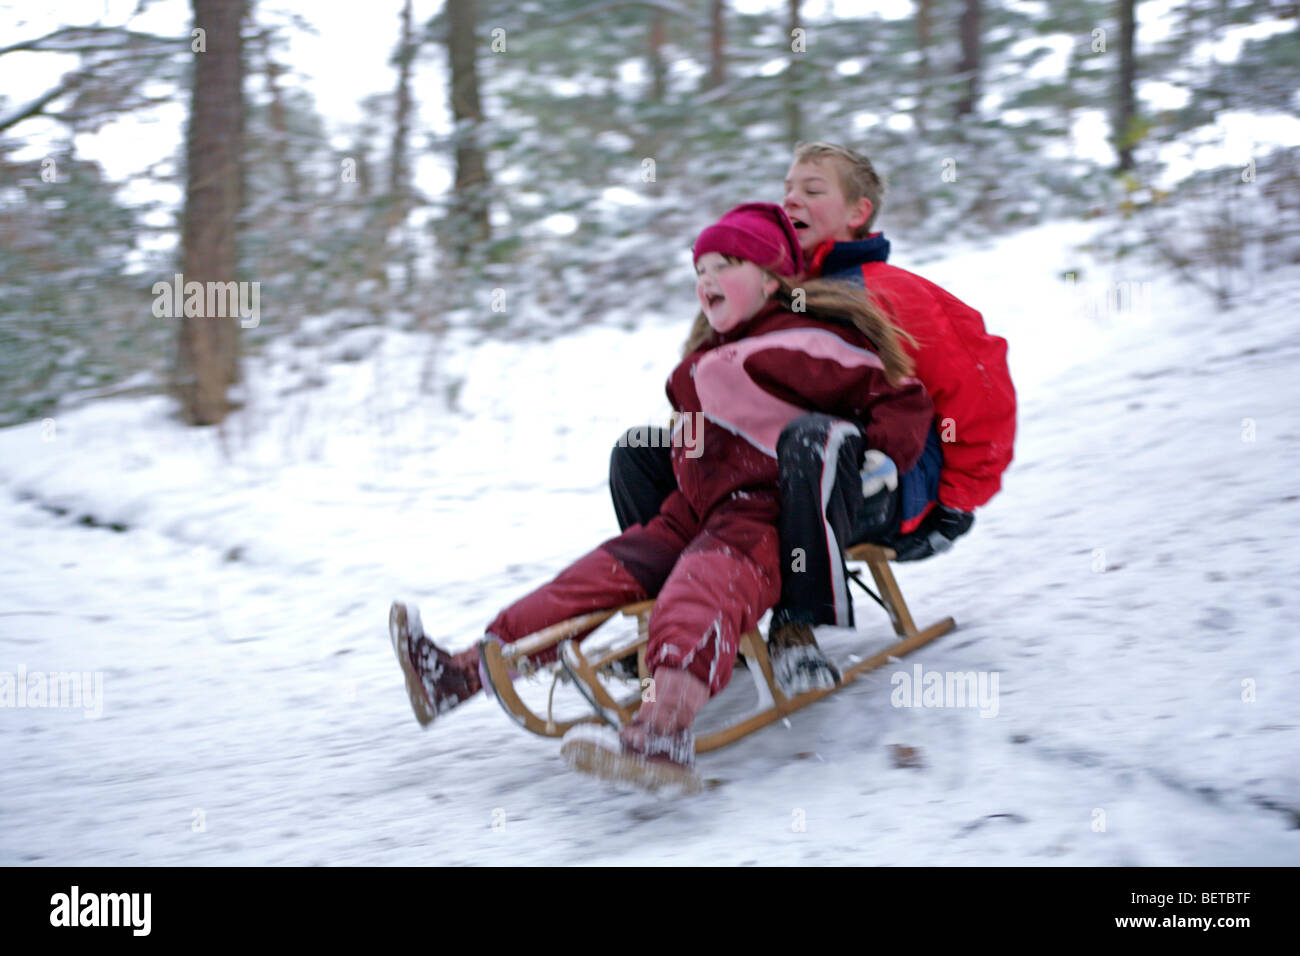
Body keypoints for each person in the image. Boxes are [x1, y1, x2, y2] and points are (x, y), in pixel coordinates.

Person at [390, 202, 934, 789]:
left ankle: (664, 730)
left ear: (773, 278)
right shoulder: (702, 361)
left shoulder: (804, 339)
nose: (705, 281)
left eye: (725, 265)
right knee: (591, 577)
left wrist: (880, 460)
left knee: (698, 593)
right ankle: (459, 674)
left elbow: (897, 396)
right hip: (692, 514)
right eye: (700, 270)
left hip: (770, 519)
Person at [610, 142, 1017, 695]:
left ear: (858, 212)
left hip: (878, 489)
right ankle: (684, 626)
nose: (791, 199)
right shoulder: (761, 292)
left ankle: (794, 631)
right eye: (786, 189)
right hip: (761, 489)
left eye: (812, 189)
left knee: (812, 438)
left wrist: (955, 499)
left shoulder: (890, 292)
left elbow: (978, 386)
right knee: (639, 450)